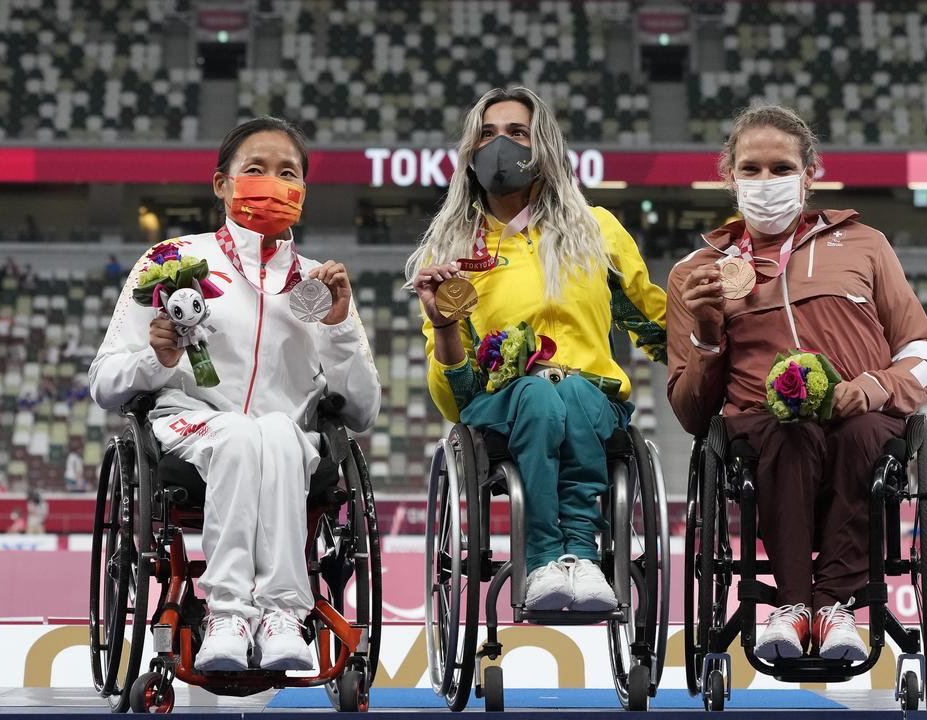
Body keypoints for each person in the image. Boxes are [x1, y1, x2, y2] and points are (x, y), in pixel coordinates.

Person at [90, 116, 381, 673]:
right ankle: (228, 614)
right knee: (244, 434)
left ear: (302, 191)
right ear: (222, 183)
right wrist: (159, 358)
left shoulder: (316, 284)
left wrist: (339, 327)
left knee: (268, 431)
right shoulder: (171, 263)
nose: (271, 183)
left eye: (287, 173)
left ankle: (281, 616)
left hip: (289, 443)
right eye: (255, 170)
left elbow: (363, 408)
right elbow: (105, 383)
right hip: (188, 434)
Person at [667, 104, 927, 663]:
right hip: (764, 430)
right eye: (751, 169)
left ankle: (834, 607)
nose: (766, 182)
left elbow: (922, 351)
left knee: (865, 434)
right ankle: (793, 607)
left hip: (863, 417)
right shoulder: (697, 272)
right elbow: (693, 415)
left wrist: (872, 387)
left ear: (809, 174)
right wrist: (707, 334)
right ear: (729, 177)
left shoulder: (866, 243)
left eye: (780, 168)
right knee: (788, 432)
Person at [408, 87, 667, 612]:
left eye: (517, 133)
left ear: (542, 146)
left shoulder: (598, 232)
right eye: (487, 134)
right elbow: (455, 398)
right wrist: (445, 328)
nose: (500, 145)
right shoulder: (450, 250)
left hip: (592, 396)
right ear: (470, 153)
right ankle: (551, 557)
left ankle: (578, 559)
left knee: (567, 393)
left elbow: (655, 323)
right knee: (542, 398)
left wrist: (709, 343)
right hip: (499, 407)